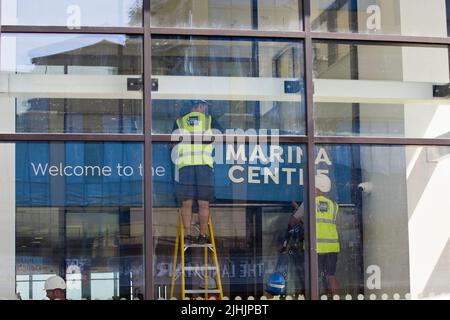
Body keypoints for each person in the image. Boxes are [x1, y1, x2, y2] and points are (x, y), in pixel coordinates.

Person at [172, 100, 222, 245]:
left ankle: (186, 235)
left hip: (185, 166)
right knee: (203, 203)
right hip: (203, 166)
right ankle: (203, 235)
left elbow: (173, 145)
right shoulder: (209, 121)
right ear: (202, 106)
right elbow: (221, 138)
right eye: (204, 106)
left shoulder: (180, 122)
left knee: (186, 203)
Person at [290, 174, 340, 297]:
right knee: (330, 275)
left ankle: (318, 296)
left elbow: (293, 221)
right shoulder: (334, 206)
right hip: (332, 247)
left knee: (315, 276)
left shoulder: (309, 203)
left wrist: (298, 210)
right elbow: (323, 221)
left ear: (316, 188)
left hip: (315, 246)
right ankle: (336, 297)